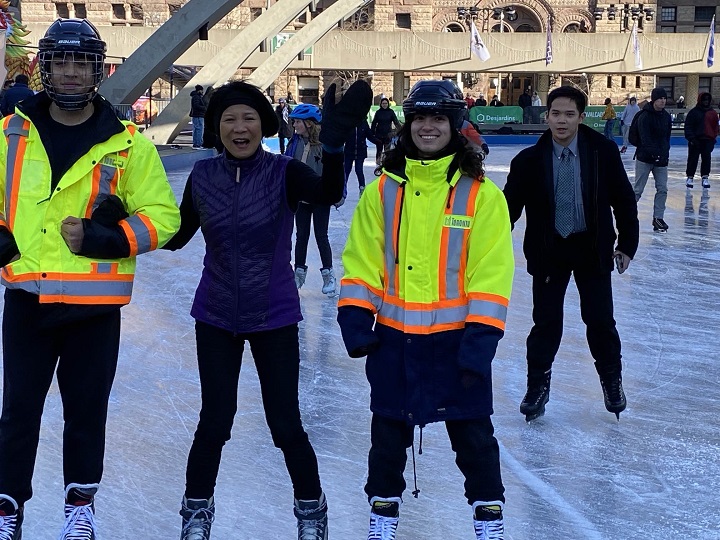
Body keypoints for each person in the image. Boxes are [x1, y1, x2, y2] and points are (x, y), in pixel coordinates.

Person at [162, 78, 372, 540]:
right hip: (215, 314)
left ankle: (312, 512)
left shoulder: (283, 172)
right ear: (217, 129)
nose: (240, 127)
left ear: (263, 126)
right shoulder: (202, 176)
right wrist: (121, 220)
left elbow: (328, 194)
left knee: (285, 424)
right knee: (213, 421)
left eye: (249, 118)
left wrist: (334, 144)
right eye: (229, 120)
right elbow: (176, 236)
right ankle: (196, 513)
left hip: (274, 314)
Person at [0, 18, 180, 539]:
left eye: (83, 63)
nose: (73, 73)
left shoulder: (128, 145)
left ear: (97, 71)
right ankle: (9, 507)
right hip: (28, 300)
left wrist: (108, 240)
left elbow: (163, 217)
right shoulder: (11, 134)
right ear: (46, 67)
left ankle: (80, 506)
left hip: (93, 308)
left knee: (86, 414)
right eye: (63, 61)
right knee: (18, 414)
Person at [338, 79, 514, 540]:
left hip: (458, 343)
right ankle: (382, 518)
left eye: (439, 118)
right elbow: (363, 259)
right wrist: (356, 319)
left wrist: (480, 342)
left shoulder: (481, 195)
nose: (428, 127)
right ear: (408, 124)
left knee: (475, 440)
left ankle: (489, 519)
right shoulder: (381, 192)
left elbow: (491, 272)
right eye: (420, 118)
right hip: (395, 340)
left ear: (455, 125)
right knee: (387, 441)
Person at [504, 85, 639, 423]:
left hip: (591, 249)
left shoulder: (602, 151)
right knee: (546, 323)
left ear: (581, 117)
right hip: (548, 250)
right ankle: (537, 387)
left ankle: (611, 380)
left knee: (600, 320)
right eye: (555, 114)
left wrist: (626, 245)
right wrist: (482, 244)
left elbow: (623, 199)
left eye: (569, 114)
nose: (561, 121)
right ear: (546, 116)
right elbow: (507, 209)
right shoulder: (528, 161)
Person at [285, 104, 338, 297]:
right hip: (301, 197)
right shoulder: (295, 142)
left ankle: (329, 275)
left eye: (298, 121)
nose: (294, 124)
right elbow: (287, 164)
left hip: (321, 197)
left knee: (321, 235)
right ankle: (298, 275)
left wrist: (338, 192)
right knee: (301, 236)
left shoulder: (325, 144)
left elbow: (336, 170)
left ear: (309, 124)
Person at [633, 87, 672, 232]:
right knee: (638, 190)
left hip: (661, 160)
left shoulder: (666, 117)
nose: (663, 101)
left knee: (662, 189)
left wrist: (664, 154)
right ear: (654, 99)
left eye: (664, 98)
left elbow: (666, 138)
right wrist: (654, 154)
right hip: (645, 158)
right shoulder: (645, 116)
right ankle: (627, 213)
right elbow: (645, 138)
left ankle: (658, 218)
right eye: (660, 98)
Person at [684, 92, 718, 189]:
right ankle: (690, 177)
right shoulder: (694, 113)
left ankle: (705, 177)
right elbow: (688, 127)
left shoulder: (713, 113)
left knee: (706, 159)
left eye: (707, 100)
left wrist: (713, 139)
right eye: (704, 100)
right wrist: (692, 139)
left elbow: (715, 127)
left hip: (707, 140)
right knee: (692, 159)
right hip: (695, 140)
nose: (706, 102)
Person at [344, 118, 381, 196]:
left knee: (359, 170)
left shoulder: (363, 123)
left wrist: (378, 142)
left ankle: (362, 188)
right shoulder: (348, 122)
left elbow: (369, 135)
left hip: (361, 151)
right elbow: (342, 135)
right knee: (346, 170)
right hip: (349, 151)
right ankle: (342, 190)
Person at [370, 97, 402, 166]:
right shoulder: (378, 112)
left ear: (388, 104)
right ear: (381, 104)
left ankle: (386, 163)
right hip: (379, 134)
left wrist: (401, 130)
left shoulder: (391, 112)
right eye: (383, 103)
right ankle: (378, 164)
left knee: (387, 150)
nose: (384, 105)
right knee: (379, 150)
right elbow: (374, 123)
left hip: (388, 134)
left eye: (386, 103)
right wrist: (372, 132)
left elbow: (396, 122)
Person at [190, 84, 206, 149]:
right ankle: (198, 144)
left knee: (196, 130)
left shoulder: (194, 96)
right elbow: (196, 106)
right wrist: (204, 108)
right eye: (202, 90)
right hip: (198, 115)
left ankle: (196, 143)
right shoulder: (197, 97)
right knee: (199, 130)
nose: (202, 92)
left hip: (196, 115)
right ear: (199, 90)